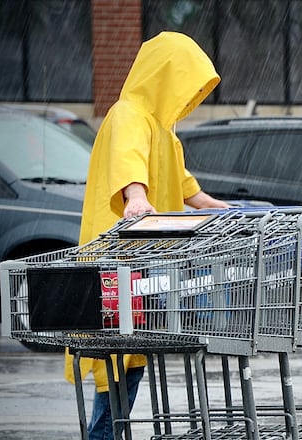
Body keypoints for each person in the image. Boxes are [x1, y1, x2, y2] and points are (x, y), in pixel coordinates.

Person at [64, 31, 230, 440]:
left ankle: (107, 433)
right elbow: (128, 161)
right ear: (164, 77)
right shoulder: (128, 114)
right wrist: (136, 197)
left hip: (141, 263)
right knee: (119, 363)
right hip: (117, 260)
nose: (188, 97)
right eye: (184, 84)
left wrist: (213, 207)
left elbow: (182, 179)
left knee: (131, 358)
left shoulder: (162, 129)